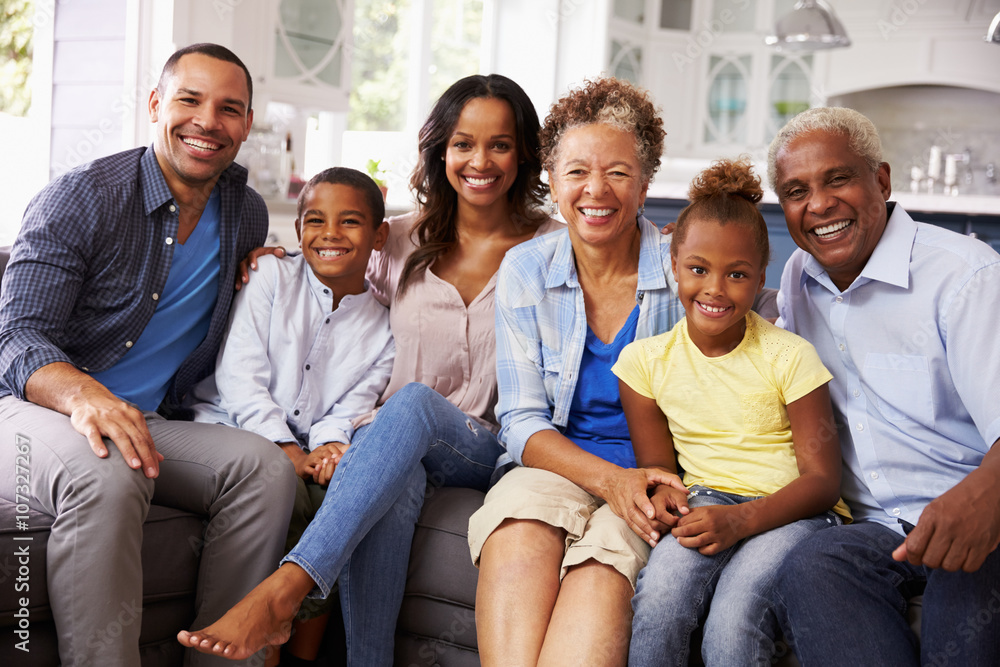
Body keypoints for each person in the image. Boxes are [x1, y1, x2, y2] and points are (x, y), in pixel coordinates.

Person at [177, 73, 563, 664]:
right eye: (463, 143)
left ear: (523, 153)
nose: (479, 160)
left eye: (500, 144)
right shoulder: (398, 239)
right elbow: (330, 268)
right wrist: (271, 257)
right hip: (393, 445)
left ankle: (289, 587)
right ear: (441, 151)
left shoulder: (555, 250)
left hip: (490, 448)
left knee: (409, 404)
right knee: (395, 468)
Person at [0, 43, 298, 666]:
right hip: (30, 413)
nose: (207, 122)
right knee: (110, 468)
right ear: (156, 104)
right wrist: (88, 397)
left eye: (229, 108)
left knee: (263, 469)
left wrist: (267, 275)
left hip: (150, 417)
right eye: (189, 100)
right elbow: (16, 336)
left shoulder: (243, 211)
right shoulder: (81, 198)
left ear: (246, 124)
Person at [467, 77, 691, 666]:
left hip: (654, 480)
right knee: (516, 528)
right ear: (552, 181)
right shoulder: (526, 269)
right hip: (553, 465)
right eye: (576, 172)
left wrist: (632, 486)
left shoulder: (683, 269)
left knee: (602, 569)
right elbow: (519, 421)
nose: (596, 190)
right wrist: (606, 481)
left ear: (645, 185)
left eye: (618, 173)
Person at [768, 107, 1000, 666]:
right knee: (811, 567)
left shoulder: (964, 276)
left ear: (882, 180)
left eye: (838, 178)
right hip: (871, 528)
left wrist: (979, 500)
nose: (819, 204)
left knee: (964, 600)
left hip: (973, 511)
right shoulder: (798, 277)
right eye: (797, 190)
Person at [612, 157, 850, 666]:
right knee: (659, 603)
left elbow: (824, 481)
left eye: (736, 274)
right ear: (672, 265)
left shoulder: (791, 356)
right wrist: (668, 502)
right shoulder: (643, 365)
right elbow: (662, 474)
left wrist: (741, 521)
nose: (715, 289)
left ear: (761, 276)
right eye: (698, 269)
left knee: (735, 614)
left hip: (797, 510)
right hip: (706, 503)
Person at [187, 166, 395, 663]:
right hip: (231, 426)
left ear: (379, 235)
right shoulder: (270, 276)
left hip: (304, 444)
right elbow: (240, 374)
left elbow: (351, 403)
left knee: (340, 497)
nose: (329, 234)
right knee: (290, 493)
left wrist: (327, 447)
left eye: (349, 222)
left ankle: (303, 654)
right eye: (314, 220)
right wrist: (286, 449)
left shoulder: (384, 324)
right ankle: (274, 649)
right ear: (298, 227)